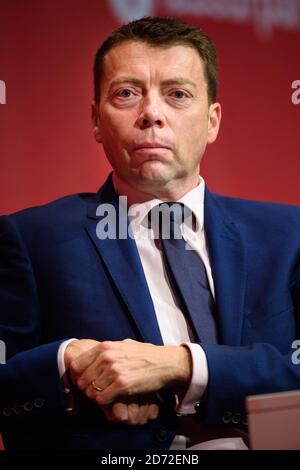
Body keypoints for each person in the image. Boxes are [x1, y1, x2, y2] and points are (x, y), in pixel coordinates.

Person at [0, 16, 300, 451]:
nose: (152, 115)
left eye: (177, 94)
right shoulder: (31, 238)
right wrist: (70, 364)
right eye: (126, 93)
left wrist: (182, 365)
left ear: (212, 121)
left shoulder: (288, 236)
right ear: (96, 120)